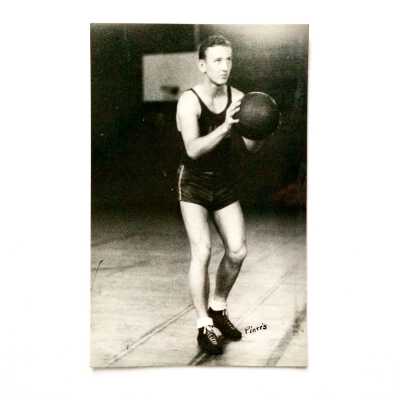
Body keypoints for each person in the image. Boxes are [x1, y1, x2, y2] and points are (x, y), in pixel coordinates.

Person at [176, 34, 264, 355]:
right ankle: (203, 325)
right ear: (202, 65)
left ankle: (218, 308)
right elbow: (192, 149)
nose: (224, 66)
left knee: (237, 251)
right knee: (202, 251)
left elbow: (251, 148)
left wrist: (262, 125)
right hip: (193, 183)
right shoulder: (189, 101)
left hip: (224, 182)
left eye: (228, 59)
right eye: (217, 60)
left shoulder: (239, 98)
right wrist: (226, 127)